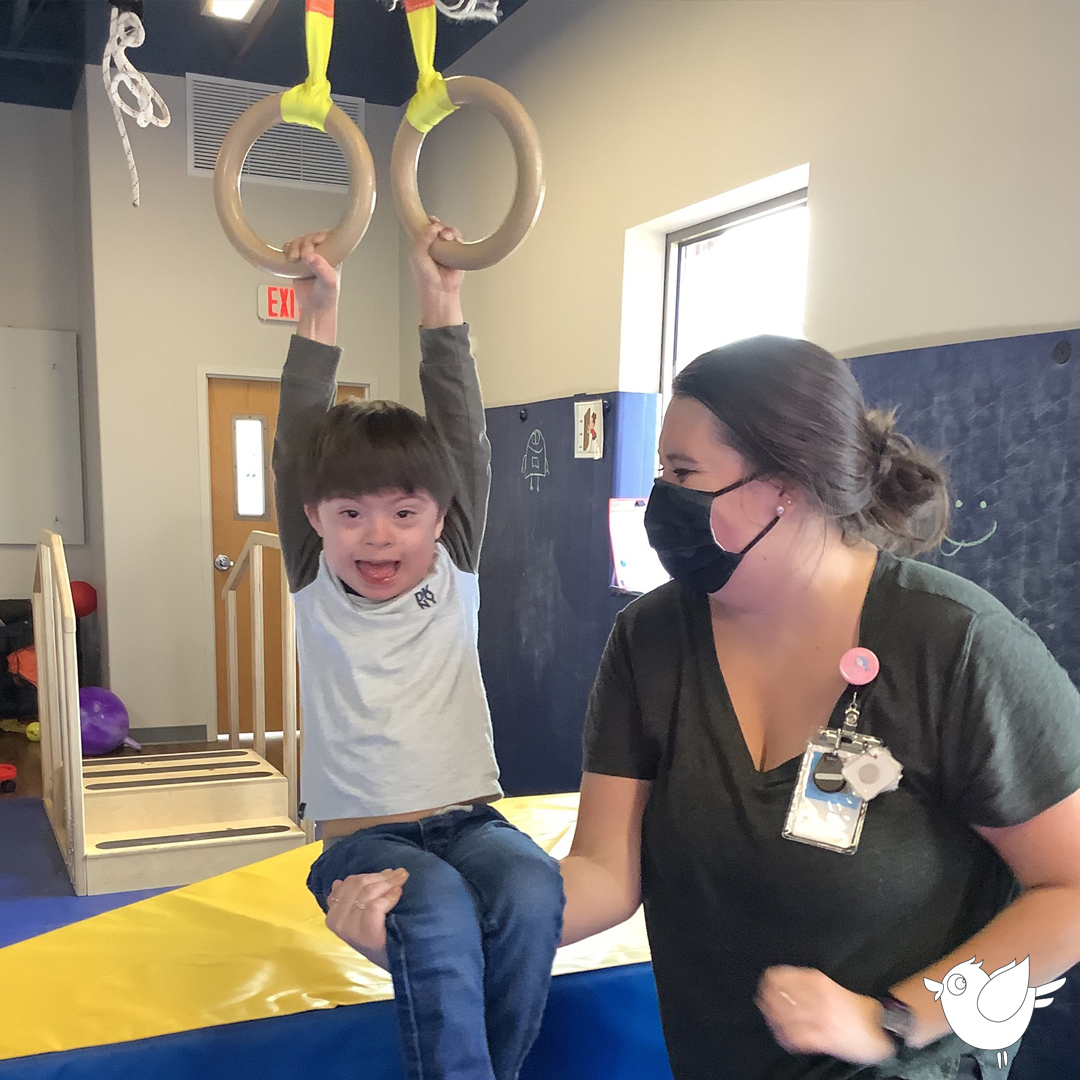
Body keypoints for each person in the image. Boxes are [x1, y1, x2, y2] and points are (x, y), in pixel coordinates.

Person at [331, 335, 1080, 1080]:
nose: (663, 499)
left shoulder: (953, 646)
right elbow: (602, 874)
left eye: (685, 473)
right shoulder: (653, 640)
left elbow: (1069, 890)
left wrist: (891, 1017)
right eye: (662, 471)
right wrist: (442, 927)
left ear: (787, 482)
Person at [274, 221, 564, 1080]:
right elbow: (298, 436)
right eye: (351, 512)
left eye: (404, 513)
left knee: (530, 886)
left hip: (471, 820)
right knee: (431, 904)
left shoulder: (456, 560)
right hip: (364, 839)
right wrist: (318, 309)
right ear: (315, 517)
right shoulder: (312, 577)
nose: (378, 536)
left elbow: (463, 435)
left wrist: (443, 299)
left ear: (440, 518)